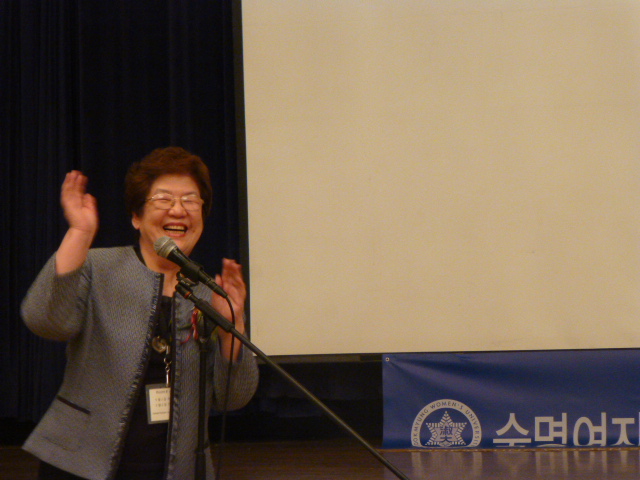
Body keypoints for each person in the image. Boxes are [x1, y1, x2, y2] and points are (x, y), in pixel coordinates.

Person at [21, 147, 259, 480]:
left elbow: (233, 397)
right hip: (81, 463)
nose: (178, 210)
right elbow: (46, 321)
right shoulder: (97, 267)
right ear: (136, 216)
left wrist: (232, 326)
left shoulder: (209, 294)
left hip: (178, 469)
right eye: (163, 199)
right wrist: (79, 234)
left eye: (191, 200)